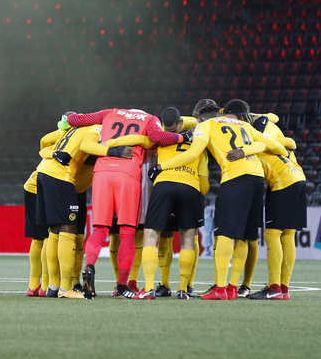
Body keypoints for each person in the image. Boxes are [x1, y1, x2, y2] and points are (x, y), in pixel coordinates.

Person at [156, 98, 286, 300]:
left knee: (224, 234)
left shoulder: (206, 126)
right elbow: (274, 146)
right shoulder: (243, 124)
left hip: (235, 177)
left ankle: (219, 288)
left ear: (199, 117)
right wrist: (280, 151)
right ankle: (232, 288)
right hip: (256, 177)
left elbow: (192, 153)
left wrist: (162, 167)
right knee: (243, 236)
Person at [64, 108, 188, 299]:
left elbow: (77, 120)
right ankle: (122, 286)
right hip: (128, 173)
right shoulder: (149, 119)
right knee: (128, 232)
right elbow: (159, 138)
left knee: (99, 230)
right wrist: (184, 137)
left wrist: (69, 118)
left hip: (102, 172)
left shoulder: (109, 113)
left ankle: (89, 266)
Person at [138, 107, 210, 300]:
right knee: (188, 240)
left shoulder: (160, 143)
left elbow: (139, 141)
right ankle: (184, 289)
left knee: (152, 236)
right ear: (180, 124)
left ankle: (150, 288)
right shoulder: (199, 147)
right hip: (190, 188)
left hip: (164, 186)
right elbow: (204, 187)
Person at [241, 104, 307, 300]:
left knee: (272, 235)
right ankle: (283, 289)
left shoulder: (252, 140)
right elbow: (271, 117)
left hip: (282, 183)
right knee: (288, 236)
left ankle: (274, 287)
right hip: (298, 177)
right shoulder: (270, 130)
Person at [36, 120, 98, 298]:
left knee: (54, 231)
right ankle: (65, 288)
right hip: (61, 176)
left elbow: (45, 141)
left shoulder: (72, 130)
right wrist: (113, 151)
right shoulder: (96, 129)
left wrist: (54, 152)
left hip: (44, 171)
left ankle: (53, 287)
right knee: (68, 229)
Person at [23, 126, 63, 296]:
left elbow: (43, 141)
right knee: (49, 235)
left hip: (31, 185)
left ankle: (33, 286)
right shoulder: (72, 142)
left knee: (38, 237)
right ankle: (46, 286)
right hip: (43, 187)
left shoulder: (54, 144)